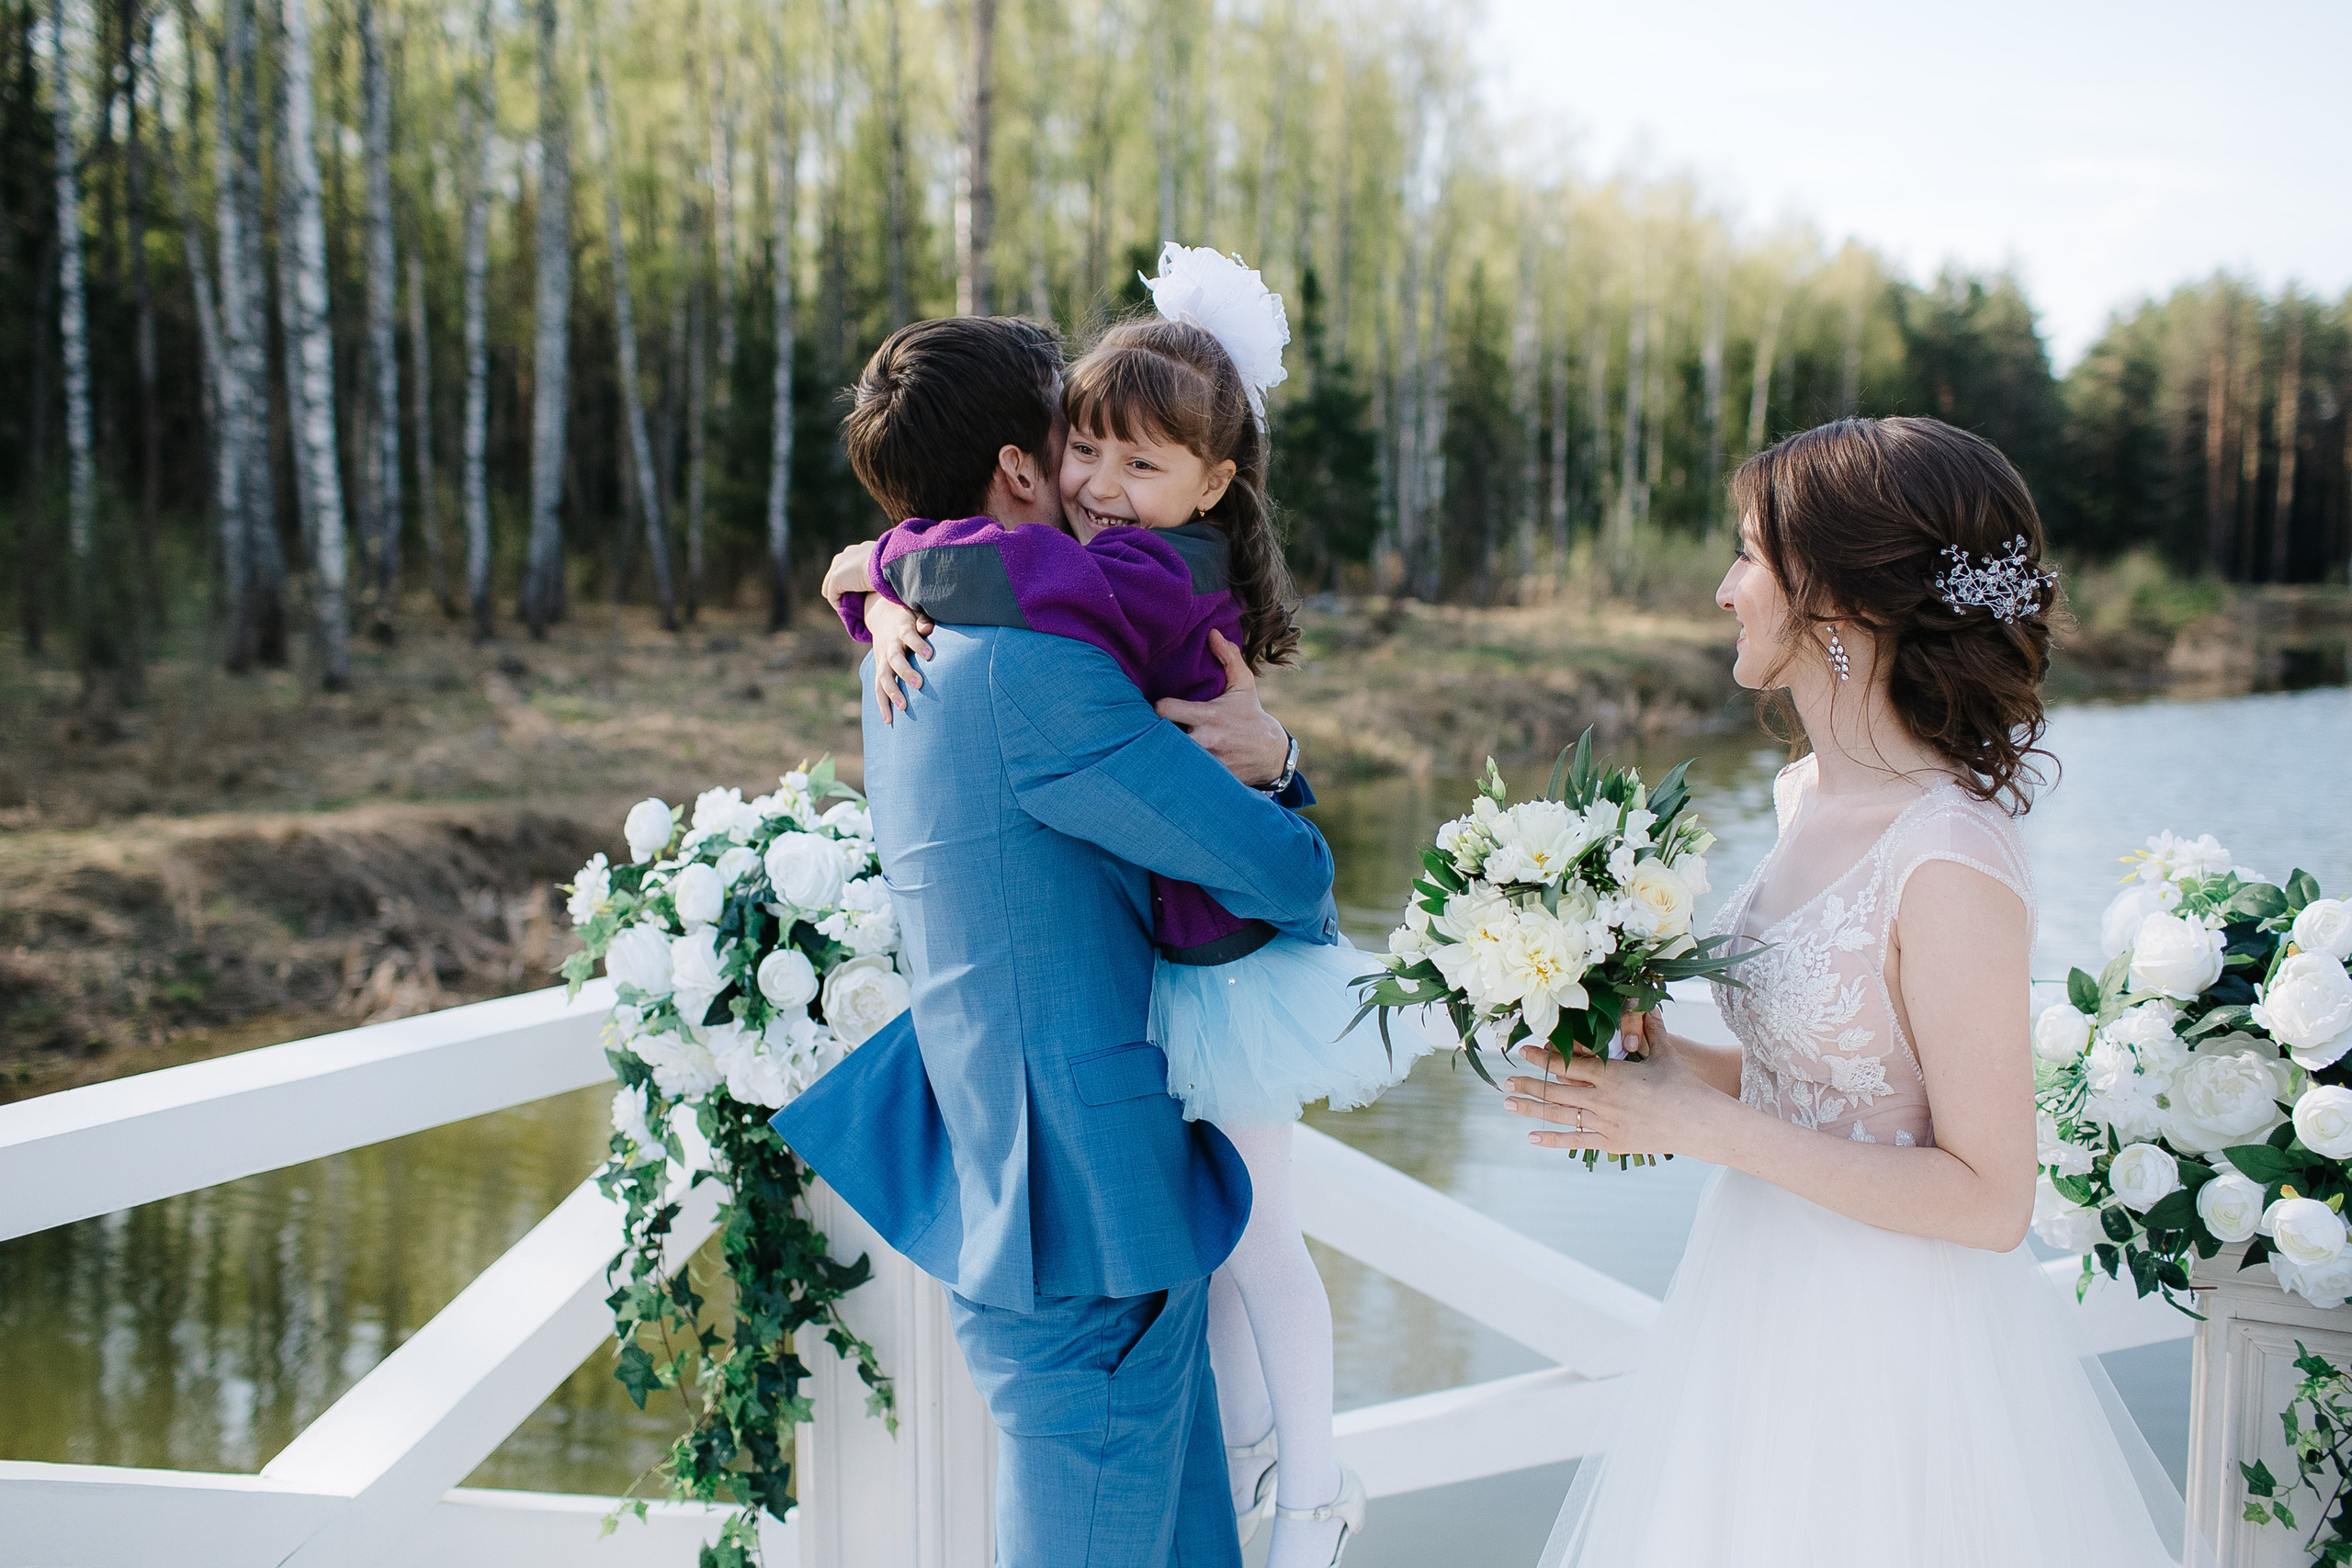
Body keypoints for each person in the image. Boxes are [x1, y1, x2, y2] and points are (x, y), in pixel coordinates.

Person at [1504, 417, 2205, 1567]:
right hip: (1752, 1299)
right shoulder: (1802, 796)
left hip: (1888, 1345)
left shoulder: (1947, 855)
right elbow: (1841, 1079)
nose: (1724, 590)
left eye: (1747, 554)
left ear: (1837, 596)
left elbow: (1989, 1198)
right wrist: (1669, 1077)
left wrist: (1700, 1126)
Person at [826, 247, 1413, 1568]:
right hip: (1082, 1211)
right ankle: (1305, 1487)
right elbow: (1286, 873)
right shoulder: (1030, 669)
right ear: (1019, 470)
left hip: (1042, 1187)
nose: (1094, 473)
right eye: (1072, 433)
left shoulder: (912, 640)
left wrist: (867, 570)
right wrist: (1278, 768)